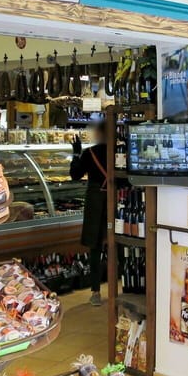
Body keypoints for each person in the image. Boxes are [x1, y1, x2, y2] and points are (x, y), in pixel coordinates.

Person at [70, 121, 108, 306]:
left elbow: (75, 175)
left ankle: (95, 292)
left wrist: (76, 153)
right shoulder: (120, 152)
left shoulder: (90, 153)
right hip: (117, 201)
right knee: (121, 244)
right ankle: (126, 287)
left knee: (95, 247)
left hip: (95, 202)